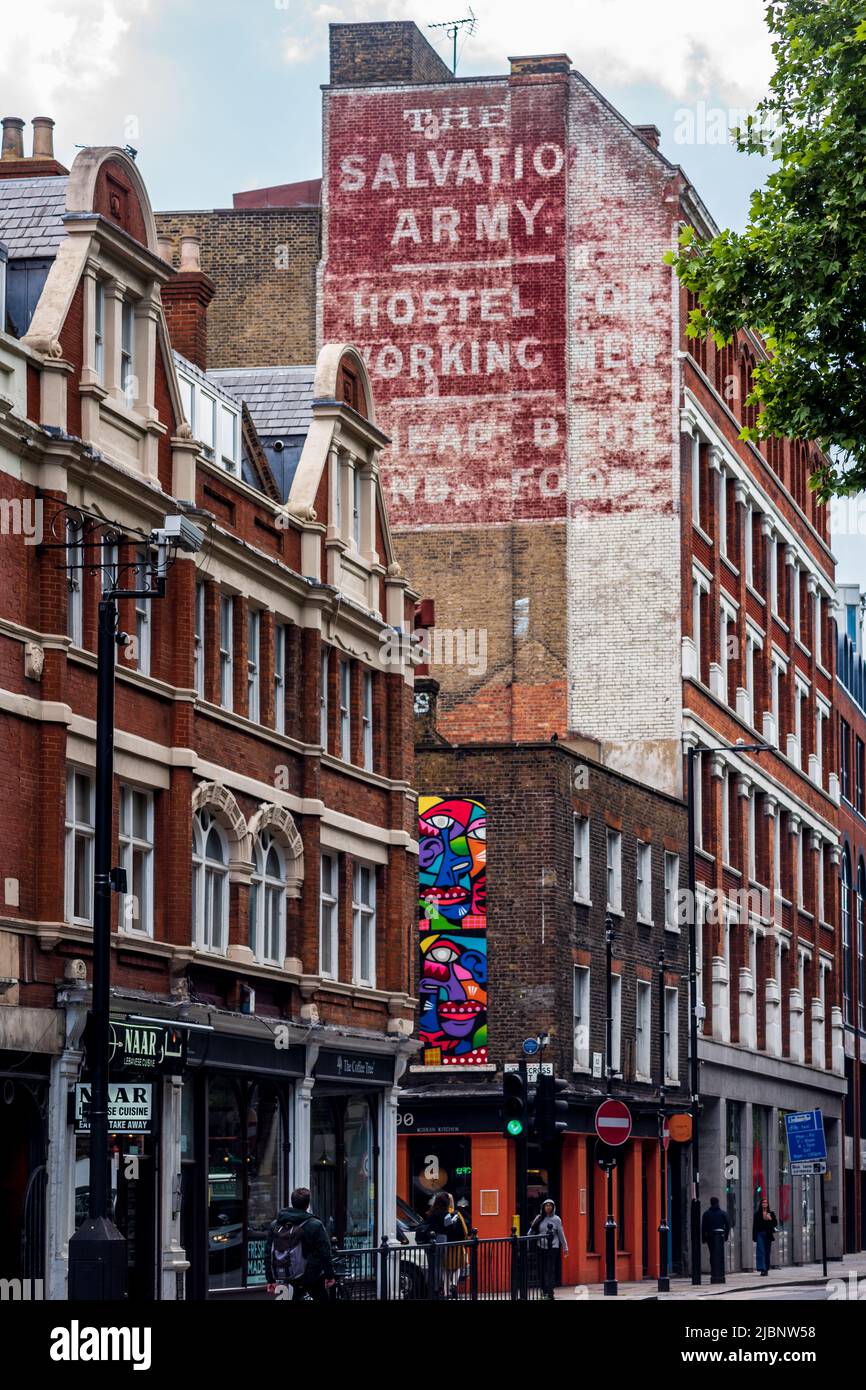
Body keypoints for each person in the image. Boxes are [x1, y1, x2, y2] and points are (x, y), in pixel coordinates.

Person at [266, 1187, 336, 1302]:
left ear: (292, 1202)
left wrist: (270, 1279)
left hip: (288, 1273)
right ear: (308, 1204)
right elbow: (325, 1253)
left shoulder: (276, 1224)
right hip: (312, 1276)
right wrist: (329, 1276)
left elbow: (268, 1253)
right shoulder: (315, 1225)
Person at [529, 1199, 569, 1299]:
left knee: (550, 1270)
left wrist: (565, 1247)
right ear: (543, 1207)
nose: (548, 1207)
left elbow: (561, 1234)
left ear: (553, 1207)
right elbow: (531, 1231)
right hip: (540, 1247)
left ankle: (550, 1293)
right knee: (541, 1270)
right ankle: (544, 1291)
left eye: (550, 1205)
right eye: (546, 1205)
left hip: (553, 1247)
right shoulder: (539, 1218)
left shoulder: (556, 1219)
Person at [444, 1192, 470, 1298]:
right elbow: (464, 1229)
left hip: (445, 1245)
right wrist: (464, 1240)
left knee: (445, 1269)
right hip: (457, 1245)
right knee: (457, 1266)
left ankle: (447, 1291)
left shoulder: (441, 1213)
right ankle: (454, 1284)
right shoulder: (457, 1213)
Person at [701, 1197, 730, 1284]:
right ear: (718, 1202)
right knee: (720, 1255)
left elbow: (703, 1228)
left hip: (710, 1237)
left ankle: (714, 1272)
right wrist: (726, 1236)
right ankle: (720, 1274)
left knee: (712, 1255)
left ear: (710, 1203)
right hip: (720, 1238)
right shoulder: (723, 1213)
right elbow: (728, 1226)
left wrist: (703, 1238)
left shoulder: (706, 1214)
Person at [753, 1195, 778, 1276]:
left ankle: (766, 1268)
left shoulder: (771, 1213)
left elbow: (775, 1224)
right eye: (763, 1202)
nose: (765, 1204)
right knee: (761, 1251)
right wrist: (754, 1236)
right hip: (760, 1234)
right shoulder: (757, 1214)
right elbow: (755, 1226)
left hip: (768, 1234)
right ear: (761, 1204)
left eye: (766, 1203)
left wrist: (770, 1218)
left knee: (767, 1252)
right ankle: (762, 1269)